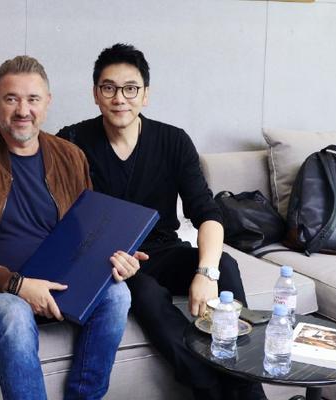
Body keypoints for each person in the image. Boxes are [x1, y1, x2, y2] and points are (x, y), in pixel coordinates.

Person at [57, 44, 267, 400]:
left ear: (145, 95)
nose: (119, 98)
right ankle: (207, 387)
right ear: (95, 94)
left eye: (130, 88)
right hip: (111, 262)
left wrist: (206, 273)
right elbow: (64, 221)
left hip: (163, 249)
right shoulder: (72, 142)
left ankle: (245, 382)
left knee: (226, 265)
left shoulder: (173, 140)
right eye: (109, 88)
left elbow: (207, 213)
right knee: (147, 294)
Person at [0, 55, 146, 400]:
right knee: (16, 313)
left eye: (33, 99)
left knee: (117, 294)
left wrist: (118, 260)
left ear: (47, 103)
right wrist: (18, 285)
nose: (23, 110)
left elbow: (88, 234)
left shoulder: (70, 157)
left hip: (53, 282)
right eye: (11, 98)